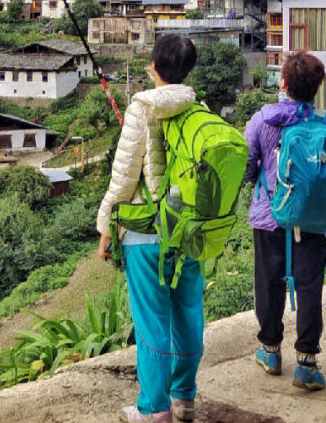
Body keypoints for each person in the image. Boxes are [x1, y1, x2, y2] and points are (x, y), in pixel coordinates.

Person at [96, 34, 201, 423]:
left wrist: (106, 225)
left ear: (154, 66)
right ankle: (184, 398)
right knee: (188, 311)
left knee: (152, 319)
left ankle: (155, 410)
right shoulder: (198, 107)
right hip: (187, 232)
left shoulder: (141, 108)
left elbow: (124, 180)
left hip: (146, 234)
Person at [244, 51, 326, 391]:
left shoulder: (263, 120)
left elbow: (247, 167)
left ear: (283, 83)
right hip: (313, 219)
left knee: (269, 283)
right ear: (317, 86)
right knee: (309, 288)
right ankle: (306, 362)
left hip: (269, 216)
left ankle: (270, 352)